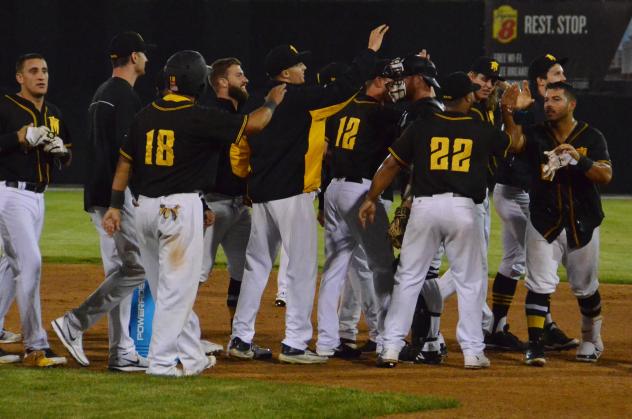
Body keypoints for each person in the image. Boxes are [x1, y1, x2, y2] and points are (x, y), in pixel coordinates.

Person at [102, 49, 286, 376]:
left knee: (167, 289)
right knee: (177, 291)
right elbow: (255, 124)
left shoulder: (145, 114)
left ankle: (191, 354)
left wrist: (115, 206)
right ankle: (161, 363)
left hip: (142, 208)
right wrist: (272, 102)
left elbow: (124, 164)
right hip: (178, 209)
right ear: (198, 81)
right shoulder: (198, 115)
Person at [228, 24, 389, 364]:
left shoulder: (258, 103)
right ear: (285, 73)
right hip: (292, 196)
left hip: (261, 198)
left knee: (257, 267)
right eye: (299, 65)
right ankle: (295, 343)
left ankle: (241, 338)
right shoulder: (299, 99)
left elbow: (238, 150)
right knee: (300, 268)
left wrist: (247, 184)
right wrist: (370, 53)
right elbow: (344, 90)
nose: (304, 69)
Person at [360, 72, 523, 369]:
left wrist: (371, 198)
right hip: (463, 210)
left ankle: (391, 347)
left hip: (425, 208)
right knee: (470, 282)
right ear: (469, 96)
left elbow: (392, 163)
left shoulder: (422, 126)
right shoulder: (480, 128)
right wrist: (508, 112)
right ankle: (473, 352)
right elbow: (514, 144)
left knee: (408, 278)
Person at [52, 31, 152, 371]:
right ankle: (74, 322)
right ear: (134, 57)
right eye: (143, 54)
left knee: (120, 273)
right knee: (138, 269)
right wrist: (118, 201)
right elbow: (125, 156)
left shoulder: (102, 94)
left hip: (99, 194)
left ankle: (120, 352)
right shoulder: (124, 97)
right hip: (115, 196)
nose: (147, 59)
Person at [502, 81, 611, 366]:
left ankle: (590, 338)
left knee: (585, 287)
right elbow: (513, 144)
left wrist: (580, 160)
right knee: (538, 284)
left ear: (572, 104)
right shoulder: (537, 134)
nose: (549, 104)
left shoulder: (591, 135)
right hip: (544, 218)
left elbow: (605, 175)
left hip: (583, 220)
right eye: (547, 99)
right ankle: (536, 346)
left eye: (557, 99)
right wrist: (508, 111)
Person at [490, 53, 578, 352]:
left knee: (514, 261)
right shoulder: (530, 108)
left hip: (520, 194)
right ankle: (545, 327)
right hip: (514, 194)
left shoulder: (544, 108)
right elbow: (515, 150)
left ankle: (497, 326)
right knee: (539, 260)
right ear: (541, 81)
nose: (563, 77)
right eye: (557, 73)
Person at [316, 59, 401, 359]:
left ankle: (326, 341)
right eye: (388, 83)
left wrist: (322, 197)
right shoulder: (380, 114)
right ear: (375, 82)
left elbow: (325, 154)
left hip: (334, 189)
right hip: (360, 190)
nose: (393, 88)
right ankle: (381, 338)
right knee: (379, 265)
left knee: (335, 269)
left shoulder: (341, 109)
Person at [0, 53, 71, 367]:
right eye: (33, 71)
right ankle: (36, 344)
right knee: (31, 262)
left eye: (44, 70)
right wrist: (19, 136)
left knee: (11, 266)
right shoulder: (5, 106)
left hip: (38, 198)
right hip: (10, 193)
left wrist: (62, 152)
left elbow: (68, 154)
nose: (41, 75)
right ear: (20, 77)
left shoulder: (53, 112)